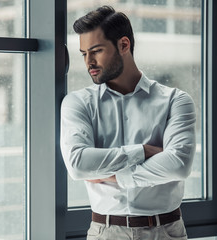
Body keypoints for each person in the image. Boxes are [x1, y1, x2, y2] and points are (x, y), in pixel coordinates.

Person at [60, 5, 196, 240]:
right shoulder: (78, 103)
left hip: (166, 231)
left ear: (124, 45)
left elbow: (178, 164)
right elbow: (79, 165)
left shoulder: (176, 100)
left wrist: (114, 176)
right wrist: (142, 151)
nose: (88, 62)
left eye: (96, 51)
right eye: (84, 53)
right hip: (106, 232)